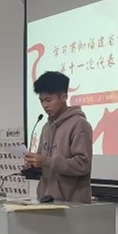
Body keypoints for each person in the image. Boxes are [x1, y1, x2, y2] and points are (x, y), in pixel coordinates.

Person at [25, 71, 93, 204]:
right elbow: (44, 162)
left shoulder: (79, 124)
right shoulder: (46, 127)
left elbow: (83, 165)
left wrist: (46, 161)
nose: (45, 105)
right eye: (41, 101)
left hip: (71, 204)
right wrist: (34, 164)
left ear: (63, 97)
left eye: (48, 100)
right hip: (46, 200)